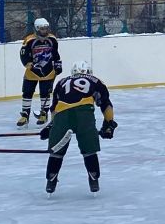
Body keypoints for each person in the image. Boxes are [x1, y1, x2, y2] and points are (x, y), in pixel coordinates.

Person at [41, 61, 116, 193]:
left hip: (62, 116)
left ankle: (51, 181)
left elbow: (54, 109)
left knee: (56, 152)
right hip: (84, 115)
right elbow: (105, 104)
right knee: (89, 150)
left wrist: (51, 126)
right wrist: (109, 124)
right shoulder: (96, 81)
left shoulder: (61, 82)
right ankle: (93, 179)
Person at [17, 18, 62, 126]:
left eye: (46, 28)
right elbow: (23, 56)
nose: (45, 31)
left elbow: (55, 54)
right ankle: (25, 115)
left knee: (45, 93)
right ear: (37, 29)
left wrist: (58, 64)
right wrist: (31, 66)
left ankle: (44, 114)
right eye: (42, 29)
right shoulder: (29, 40)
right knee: (27, 93)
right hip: (32, 72)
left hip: (48, 71)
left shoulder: (52, 39)